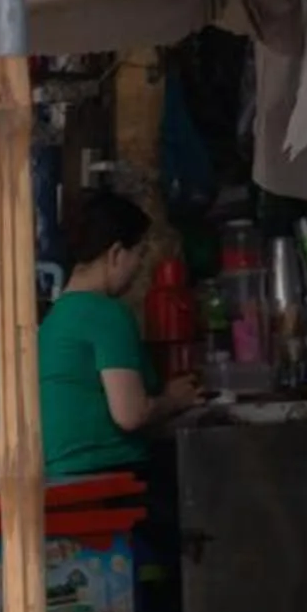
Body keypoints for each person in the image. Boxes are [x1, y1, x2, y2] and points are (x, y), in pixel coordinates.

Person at [39, 192, 201, 479]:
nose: (139, 268)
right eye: (139, 254)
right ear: (116, 253)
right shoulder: (106, 314)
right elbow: (130, 414)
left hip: (60, 477)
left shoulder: (55, 318)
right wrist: (174, 399)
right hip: (107, 475)